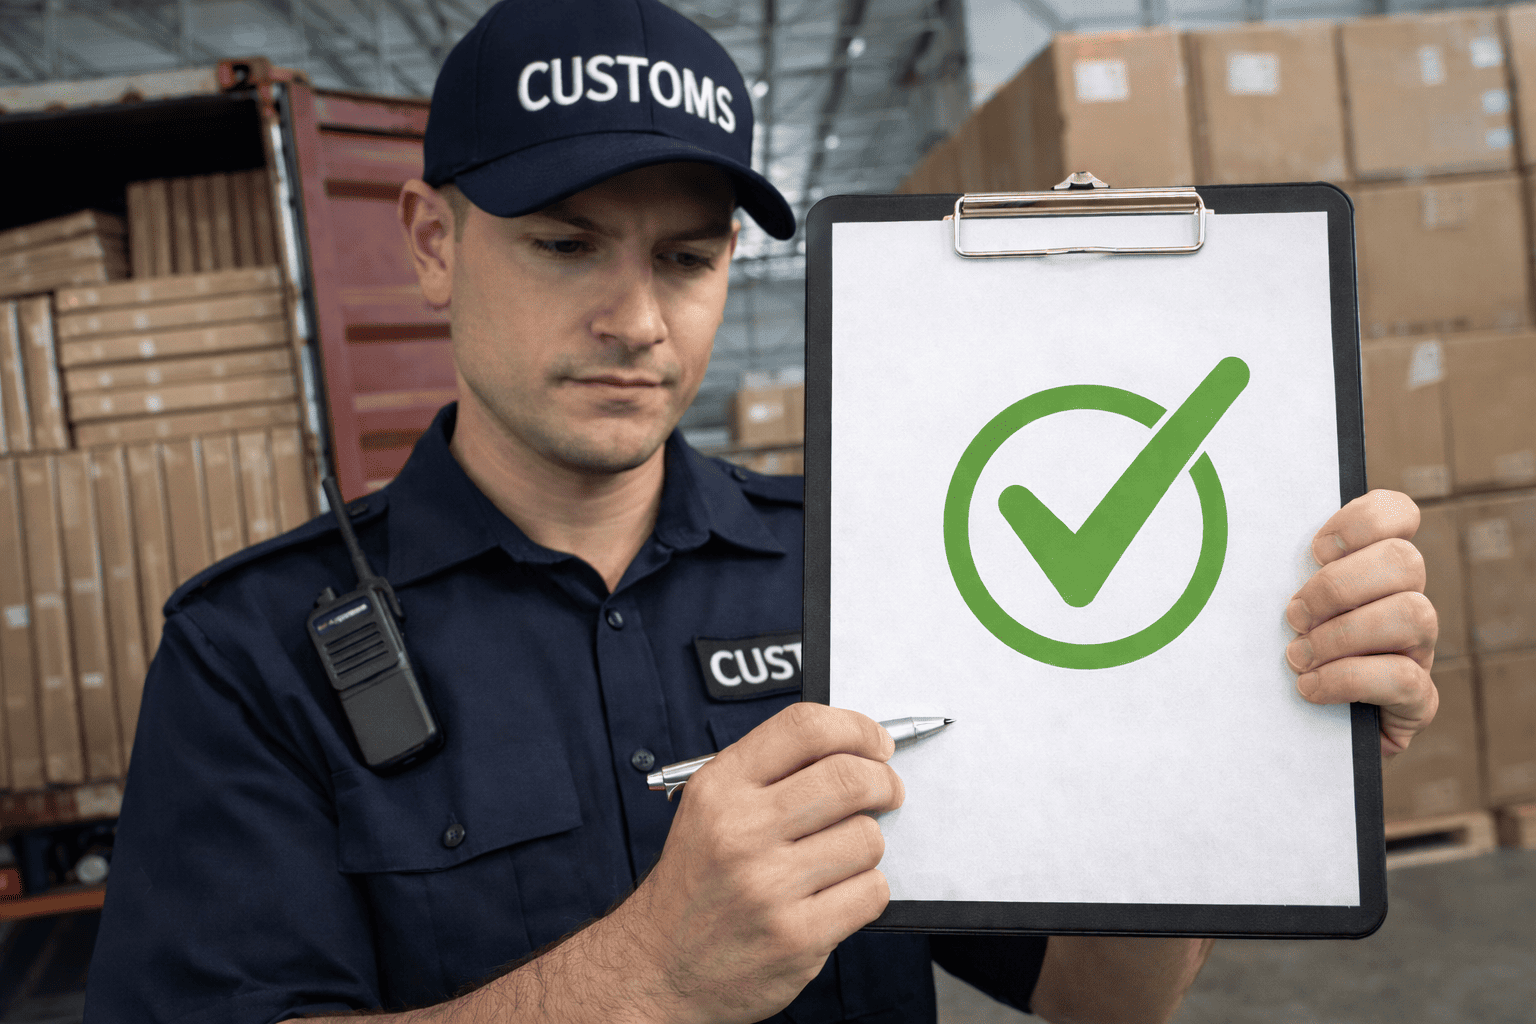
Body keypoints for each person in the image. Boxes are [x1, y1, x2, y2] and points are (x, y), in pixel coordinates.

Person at [84, 1, 1440, 1021]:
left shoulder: (865, 572)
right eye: (564, 245)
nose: (634, 319)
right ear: (433, 241)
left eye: (688, 258)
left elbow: (1093, 996)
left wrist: (1247, 742)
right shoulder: (251, 655)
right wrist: (652, 973)